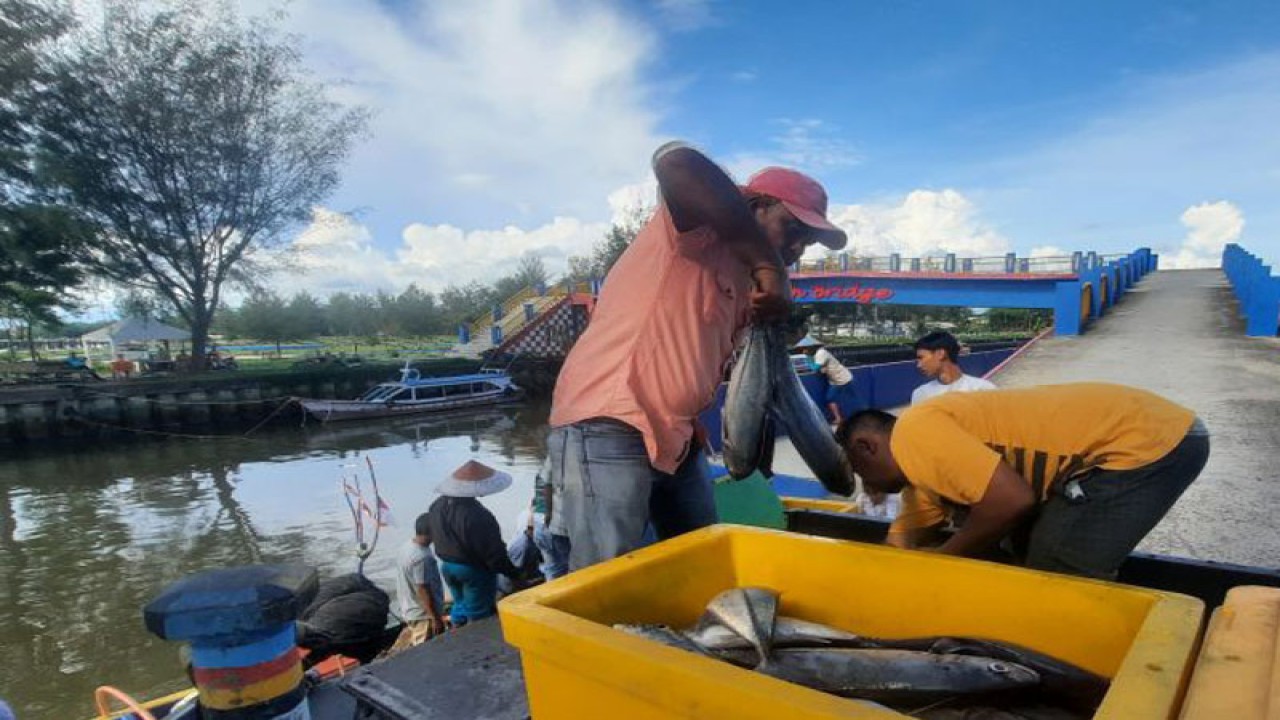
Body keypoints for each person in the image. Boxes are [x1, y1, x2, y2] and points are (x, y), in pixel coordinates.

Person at [547, 141, 847, 571]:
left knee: (702, 560)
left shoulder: (748, 282)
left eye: (808, 242)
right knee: (605, 571)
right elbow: (674, 160)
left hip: (680, 437)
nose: (799, 250)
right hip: (609, 423)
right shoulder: (697, 231)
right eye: (793, 230)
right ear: (756, 206)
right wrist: (768, 264)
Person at [836, 383, 1209, 580]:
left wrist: (945, 559)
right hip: (1153, 429)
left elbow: (1012, 501)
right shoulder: (927, 476)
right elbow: (900, 542)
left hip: (1141, 443)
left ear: (867, 447)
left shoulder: (914, 434)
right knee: (1017, 546)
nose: (866, 484)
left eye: (859, 472)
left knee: (1055, 570)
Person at [426, 460, 525, 625]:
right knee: (478, 613)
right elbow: (494, 553)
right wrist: (514, 574)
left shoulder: (436, 506)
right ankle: (474, 644)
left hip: (447, 566)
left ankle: (455, 632)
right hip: (472, 571)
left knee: (459, 605)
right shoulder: (478, 515)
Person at [390, 512, 446, 650]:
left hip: (409, 607)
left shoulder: (407, 546)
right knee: (424, 650)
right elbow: (422, 589)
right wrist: (435, 618)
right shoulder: (421, 557)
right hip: (422, 614)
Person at [910, 330, 996, 404]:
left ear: (940, 354)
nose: (919, 365)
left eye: (921, 358)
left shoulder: (983, 389)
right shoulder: (921, 394)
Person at [793, 334, 854, 424]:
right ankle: (840, 417)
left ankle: (839, 418)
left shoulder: (821, 353)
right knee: (832, 398)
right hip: (835, 379)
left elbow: (814, 368)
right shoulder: (817, 354)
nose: (804, 350)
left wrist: (807, 357)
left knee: (831, 398)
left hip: (841, 379)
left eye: (806, 348)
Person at [531, 456, 570, 580]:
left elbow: (535, 501)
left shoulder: (541, 474)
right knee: (563, 569)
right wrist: (549, 515)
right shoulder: (559, 461)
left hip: (539, 523)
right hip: (552, 524)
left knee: (552, 567)